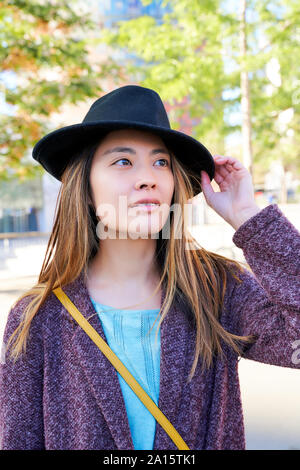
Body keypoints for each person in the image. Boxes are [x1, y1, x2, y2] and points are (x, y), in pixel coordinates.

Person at [0, 85, 299, 450]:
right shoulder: (37, 319)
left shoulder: (218, 289)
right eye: (123, 161)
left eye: (161, 162)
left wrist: (251, 220)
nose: (149, 177)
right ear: (85, 185)